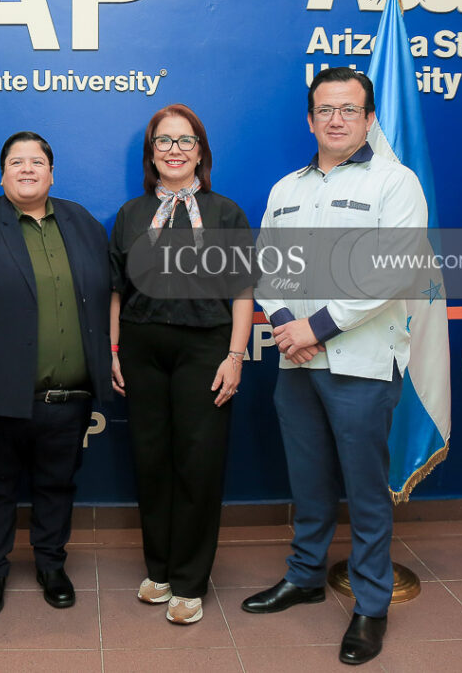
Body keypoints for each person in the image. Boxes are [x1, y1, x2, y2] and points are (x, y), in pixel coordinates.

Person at [243, 67, 427, 665]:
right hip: (296, 361)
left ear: (369, 117)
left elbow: (393, 270)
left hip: (361, 363)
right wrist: (282, 325)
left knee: (366, 491)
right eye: (326, 110)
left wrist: (316, 326)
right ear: (310, 118)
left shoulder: (395, 183)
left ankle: (371, 607)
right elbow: (266, 264)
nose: (337, 119)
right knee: (309, 480)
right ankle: (303, 577)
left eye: (350, 110)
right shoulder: (286, 189)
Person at [0, 131, 111, 617]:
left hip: (69, 395)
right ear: (2, 172)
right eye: (16, 162)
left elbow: (109, 289)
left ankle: (52, 565)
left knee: (58, 485)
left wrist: (111, 352)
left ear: (52, 171)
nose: (27, 169)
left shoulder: (83, 224)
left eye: (36, 162)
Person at [109, 104, 254, 625]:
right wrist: (115, 350)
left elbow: (242, 292)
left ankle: (191, 581)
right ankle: (162, 570)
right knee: (151, 462)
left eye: (184, 140)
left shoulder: (226, 212)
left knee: (199, 463)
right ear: (152, 153)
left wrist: (235, 357)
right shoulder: (129, 214)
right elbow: (116, 293)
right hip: (143, 348)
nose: (174, 150)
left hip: (205, 348)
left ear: (200, 151)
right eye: (163, 141)